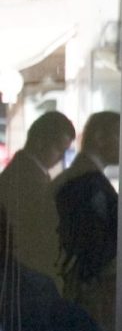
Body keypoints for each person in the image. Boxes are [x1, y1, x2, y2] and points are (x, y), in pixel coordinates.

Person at [56, 112, 118, 331]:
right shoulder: (88, 184)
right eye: (118, 134)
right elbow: (94, 248)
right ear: (100, 138)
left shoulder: (75, 179)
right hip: (92, 297)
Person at [0, 111, 76, 283]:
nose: (62, 158)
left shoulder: (24, 173)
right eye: (59, 149)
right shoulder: (28, 180)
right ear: (40, 141)